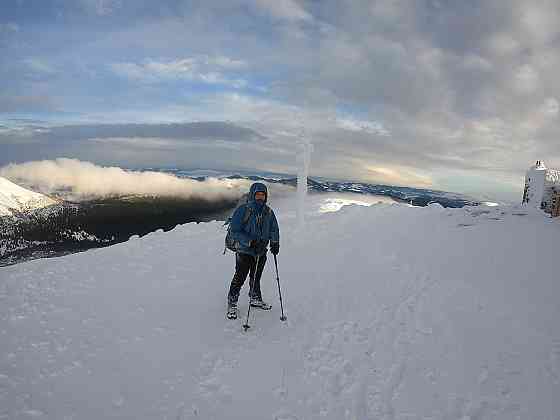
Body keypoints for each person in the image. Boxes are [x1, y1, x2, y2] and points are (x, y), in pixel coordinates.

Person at [227, 182, 280, 319]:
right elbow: (234, 231)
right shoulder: (243, 210)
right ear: (252, 195)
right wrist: (250, 241)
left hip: (261, 251)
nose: (260, 197)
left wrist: (275, 242)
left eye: (263, 195)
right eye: (258, 194)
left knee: (256, 277)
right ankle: (232, 303)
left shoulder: (268, 211)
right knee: (239, 278)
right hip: (245, 251)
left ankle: (255, 298)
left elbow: (274, 228)